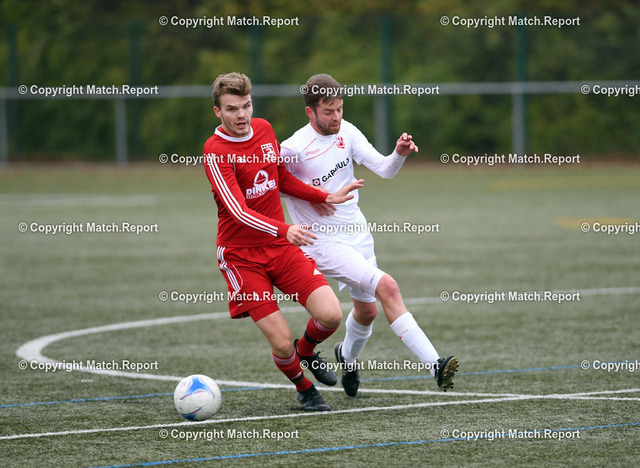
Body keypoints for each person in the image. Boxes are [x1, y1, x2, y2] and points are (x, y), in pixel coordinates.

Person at [280, 73, 458, 397]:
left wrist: (399, 153)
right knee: (388, 287)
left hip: (358, 233)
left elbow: (385, 169)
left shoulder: (347, 132)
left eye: (340, 109)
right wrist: (312, 197)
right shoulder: (293, 148)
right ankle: (436, 365)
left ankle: (346, 358)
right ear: (310, 111)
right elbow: (270, 183)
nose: (336, 117)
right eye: (328, 112)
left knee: (367, 312)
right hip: (324, 243)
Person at [202, 72, 364, 411]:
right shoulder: (216, 151)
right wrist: (283, 229)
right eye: (232, 109)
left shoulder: (263, 129)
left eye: (246, 106)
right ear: (218, 111)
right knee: (280, 343)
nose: (242, 115)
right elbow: (237, 211)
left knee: (331, 315)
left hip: (279, 248)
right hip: (242, 257)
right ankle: (304, 388)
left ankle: (306, 351)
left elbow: (281, 178)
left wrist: (323, 196)